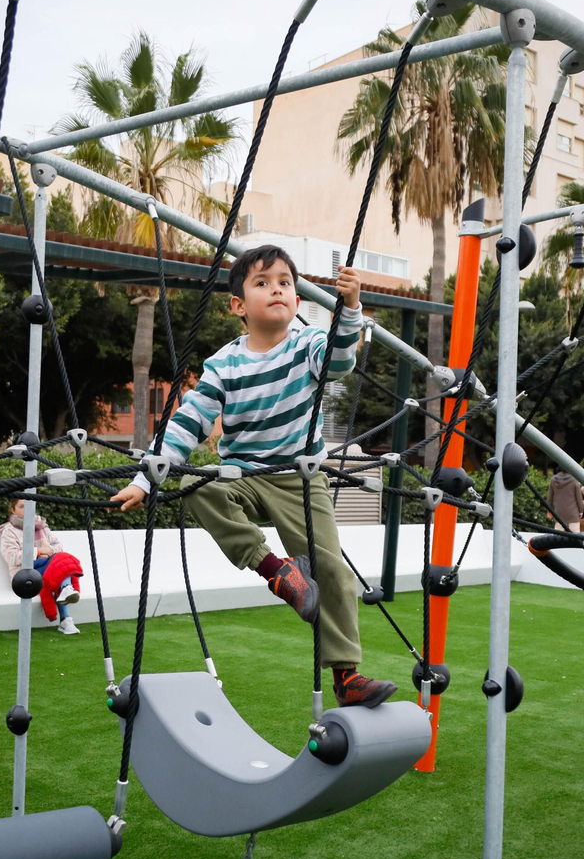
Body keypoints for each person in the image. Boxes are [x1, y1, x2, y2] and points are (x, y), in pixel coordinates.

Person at [110, 245, 397, 707]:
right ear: (238, 306)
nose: (276, 289)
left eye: (285, 282)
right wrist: (145, 480)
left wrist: (351, 309)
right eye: (261, 283)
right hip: (241, 474)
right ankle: (277, 572)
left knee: (334, 572)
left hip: (301, 478)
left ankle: (347, 676)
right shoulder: (224, 365)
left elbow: (340, 364)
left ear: (298, 300)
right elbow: (188, 424)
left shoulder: (307, 345)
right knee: (193, 483)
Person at [0, 497, 83, 634]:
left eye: (29, 506)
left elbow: (58, 546)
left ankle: (65, 593)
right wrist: (38, 551)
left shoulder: (41, 526)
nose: (27, 510)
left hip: (46, 566)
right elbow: (12, 556)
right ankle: (65, 616)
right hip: (24, 574)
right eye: (22, 506)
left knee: (59, 566)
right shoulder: (9, 531)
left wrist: (48, 551)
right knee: (61, 565)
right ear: (13, 510)